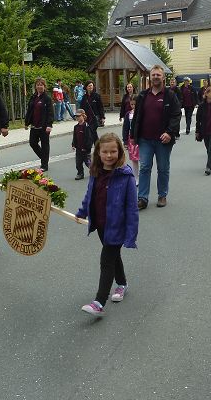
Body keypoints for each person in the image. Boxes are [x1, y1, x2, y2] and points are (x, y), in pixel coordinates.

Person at [76, 133, 139, 317]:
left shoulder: (125, 176)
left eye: (113, 151)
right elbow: (90, 195)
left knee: (106, 260)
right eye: (105, 151)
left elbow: (132, 208)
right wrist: (82, 211)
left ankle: (99, 301)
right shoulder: (95, 172)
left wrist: (131, 233)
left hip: (117, 226)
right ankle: (122, 284)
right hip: (101, 225)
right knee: (113, 257)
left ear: (119, 152)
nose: (109, 155)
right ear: (98, 153)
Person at [131, 65, 182, 210]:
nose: (155, 77)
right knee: (145, 168)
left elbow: (176, 115)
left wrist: (169, 132)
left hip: (163, 140)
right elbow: (137, 117)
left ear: (163, 77)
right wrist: (133, 136)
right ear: (150, 77)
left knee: (163, 168)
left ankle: (162, 195)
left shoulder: (170, 95)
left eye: (158, 75)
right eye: (153, 75)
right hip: (145, 139)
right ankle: (142, 198)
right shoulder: (142, 95)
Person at [24, 77, 54, 171]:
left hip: (44, 126)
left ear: (44, 86)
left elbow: (50, 112)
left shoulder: (47, 98)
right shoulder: (33, 97)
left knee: (45, 145)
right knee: (32, 143)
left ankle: (44, 165)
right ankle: (44, 158)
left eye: (41, 85)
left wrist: (49, 125)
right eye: (38, 85)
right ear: (35, 86)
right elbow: (29, 111)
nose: (39, 86)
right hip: (34, 126)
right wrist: (26, 123)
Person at [72, 109, 94, 180]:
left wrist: (87, 147)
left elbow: (89, 138)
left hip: (85, 149)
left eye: (79, 116)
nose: (77, 118)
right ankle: (80, 173)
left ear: (83, 116)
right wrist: (73, 144)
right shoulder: (76, 127)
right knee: (78, 163)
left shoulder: (87, 126)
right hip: (78, 149)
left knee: (88, 162)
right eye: (76, 117)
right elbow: (75, 137)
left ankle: (94, 171)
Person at [122, 95, 139, 182]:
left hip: (141, 138)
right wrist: (125, 140)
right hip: (131, 138)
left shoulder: (142, 113)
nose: (133, 106)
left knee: (143, 159)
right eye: (132, 104)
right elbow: (125, 128)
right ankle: (136, 177)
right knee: (134, 159)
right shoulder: (128, 114)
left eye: (135, 104)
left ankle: (143, 175)